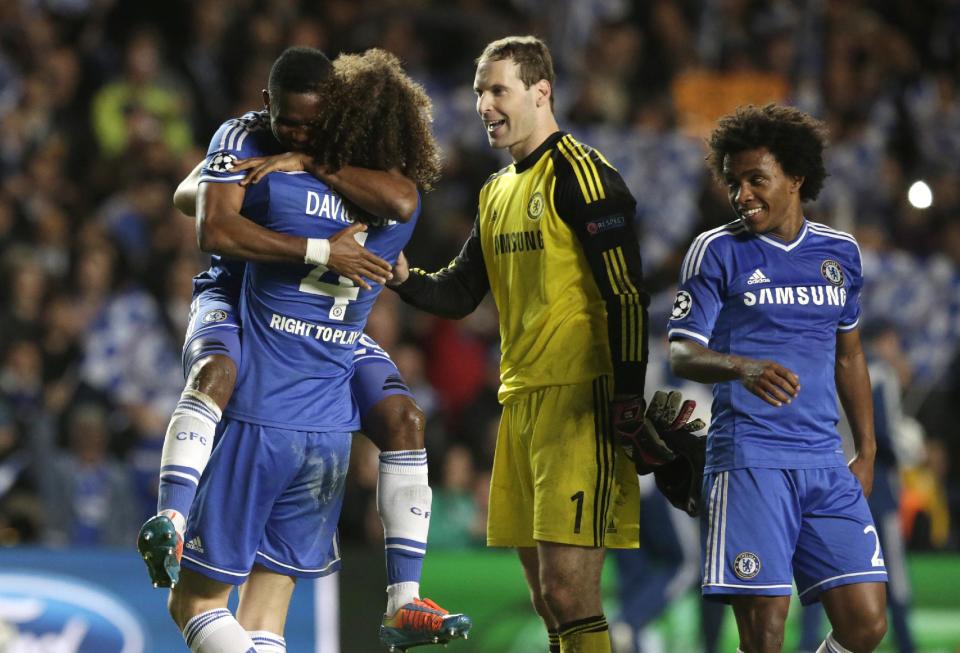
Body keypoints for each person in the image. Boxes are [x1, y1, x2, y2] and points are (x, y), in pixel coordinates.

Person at [137, 47, 469, 650]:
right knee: (387, 413)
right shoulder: (380, 188)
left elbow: (204, 209)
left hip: (284, 357)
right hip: (289, 333)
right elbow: (200, 204)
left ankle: (175, 514)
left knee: (398, 416)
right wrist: (218, 177)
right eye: (290, 123)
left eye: (312, 126)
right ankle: (404, 596)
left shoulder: (299, 175)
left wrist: (294, 167)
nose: (298, 133)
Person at [388, 35, 648, 653]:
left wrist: (628, 402)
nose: (484, 104)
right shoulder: (496, 190)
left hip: (580, 402)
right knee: (546, 599)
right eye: (479, 92)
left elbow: (627, 296)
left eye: (497, 89)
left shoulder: (584, 176)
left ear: (541, 92)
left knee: (571, 592)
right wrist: (402, 277)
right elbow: (461, 291)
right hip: (522, 402)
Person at [667, 104, 888, 653]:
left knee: (866, 624)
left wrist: (867, 449)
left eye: (756, 180)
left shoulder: (840, 253)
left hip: (823, 462)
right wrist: (743, 367)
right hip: (751, 461)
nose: (742, 195)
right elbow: (681, 351)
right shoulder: (716, 250)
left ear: (796, 177)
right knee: (765, 636)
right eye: (734, 181)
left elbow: (849, 358)